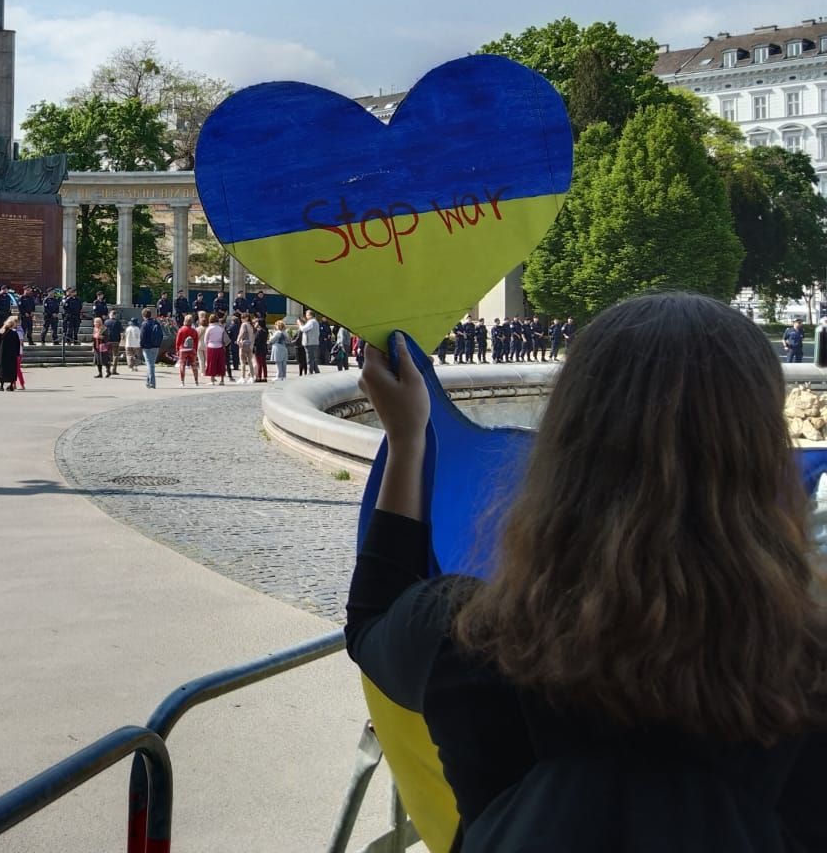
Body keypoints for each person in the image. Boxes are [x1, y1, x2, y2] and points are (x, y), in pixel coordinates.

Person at [346, 293, 827, 851]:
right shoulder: (806, 671)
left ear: (564, 447)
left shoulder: (471, 638)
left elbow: (371, 619)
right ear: (763, 455)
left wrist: (407, 442)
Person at [0, 315, 23, 392]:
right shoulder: (14, 333)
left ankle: (1, 385)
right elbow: (17, 344)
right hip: (12, 354)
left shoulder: (1, 332)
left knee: (2, 369)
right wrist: (17, 354)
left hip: (2, 354)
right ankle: (11, 385)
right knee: (12, 369)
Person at [138, 307, 163, 389]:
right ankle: (148, 382)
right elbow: (161, 335)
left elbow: (142, 336)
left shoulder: (144, 324)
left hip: (147, 347)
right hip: (156, 346)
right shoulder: (156, 323)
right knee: (151, 364)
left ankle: (152, 383)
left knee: (150, 365)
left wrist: (141, 345)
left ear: (143, 316)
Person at [202, 314, 228, 385]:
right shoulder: (221, 328)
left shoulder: (209, 328)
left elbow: (205, 339)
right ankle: (222, 380)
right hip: (220, 346)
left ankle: (212, 380)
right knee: (221, 363)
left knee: (211, 363)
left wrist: (207, 345)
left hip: (211, 347)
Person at [175, 313, 199, 385]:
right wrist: (195, 350)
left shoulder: (181, 330)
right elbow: (196, 341)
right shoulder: (194, 331)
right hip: (192, 350)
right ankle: (196, 381)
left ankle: (182, 381)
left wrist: (177, 350)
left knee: (182, 364)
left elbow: (178, 341)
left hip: (183, 349)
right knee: (194, 365)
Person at [299, 309, 322, 375]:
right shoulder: (316, 322)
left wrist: (300, 324)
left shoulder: (311, 322)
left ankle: (310, 373)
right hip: (315, 342)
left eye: (307, 315)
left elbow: (303, 329)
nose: (306, 316)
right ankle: (317, 372)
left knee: (309, 359)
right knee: (313, 359)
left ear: (310, 315)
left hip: (309, 343)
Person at [236, 313, 255, 384]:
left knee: (242, 361)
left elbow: (242, 333)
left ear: (246, 318)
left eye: (243, 317)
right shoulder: (251, 325)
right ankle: (252, 377)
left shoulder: (244, 324)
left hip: (243, 344)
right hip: (250, 345)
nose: (241, 319)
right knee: (250, 361)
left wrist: (238, 339)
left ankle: (242, 377)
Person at [252, 316, 270, 382]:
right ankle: (265, 376)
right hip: (264, 347)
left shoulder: (259, 331)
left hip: (258, 348)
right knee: (264, 363)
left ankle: (259, 377)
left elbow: (256, 340)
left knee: (259, 363)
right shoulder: (266, 330)